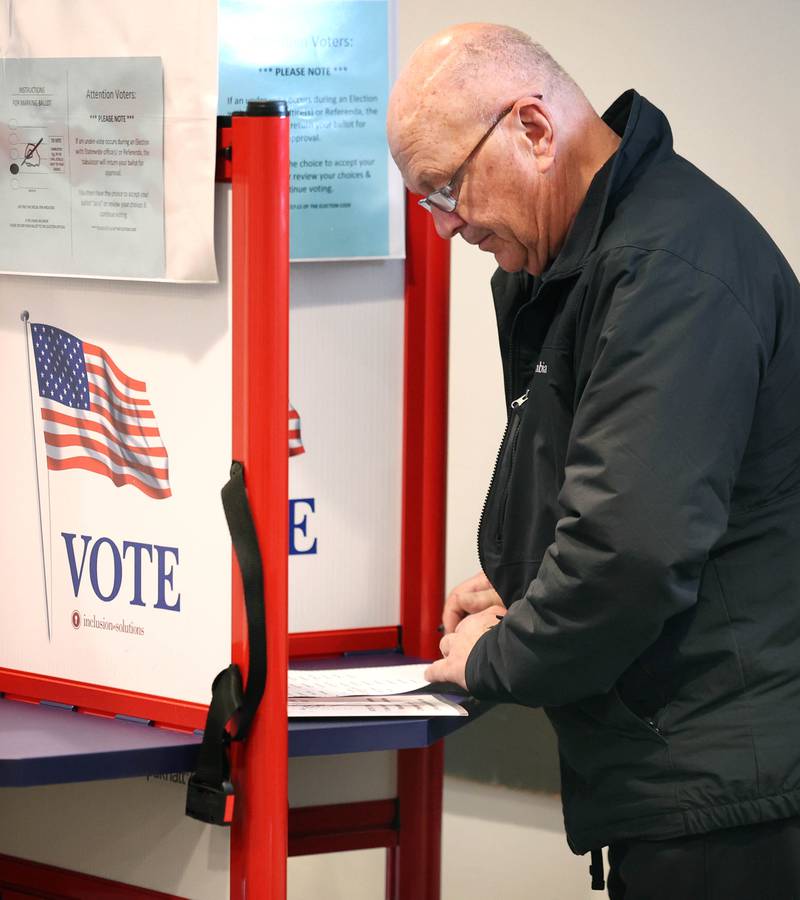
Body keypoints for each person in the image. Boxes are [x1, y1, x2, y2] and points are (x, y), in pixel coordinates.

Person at [387, 22, 800, 900]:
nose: (446, 224)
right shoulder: (594, 266)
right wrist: (533, 588)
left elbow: (631, 553)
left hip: (733, 805)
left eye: (447, 188)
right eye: (427, 202)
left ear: (534, 130)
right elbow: (638, 505)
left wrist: (494, 657)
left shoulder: (666, 272)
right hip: (698, 779)